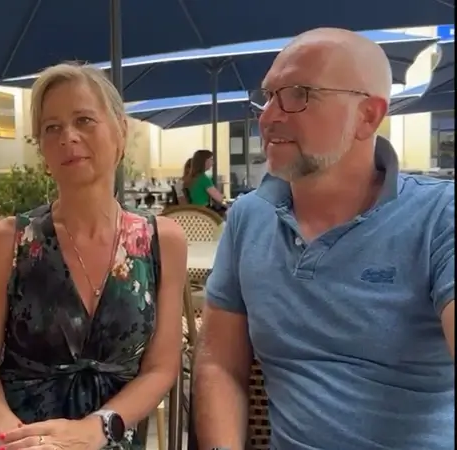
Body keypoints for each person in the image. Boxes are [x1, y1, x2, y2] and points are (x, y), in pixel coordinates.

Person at [193, 28, 454, 449]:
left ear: (367, 115)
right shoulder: (248, 218)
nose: (268, 117)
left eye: (297, 94)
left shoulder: (439, 216)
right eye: (268, 95)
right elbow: (220, 363)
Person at [0, 63, 187, 450]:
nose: (68, 137)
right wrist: (12, 437)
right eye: (51, 128)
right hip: (10, 437)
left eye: (84, 120)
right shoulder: (9, 240)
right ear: (41, 148)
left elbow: (161, 369)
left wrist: (99, 427)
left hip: (104, 436)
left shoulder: (163, 241)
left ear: (120, 132)